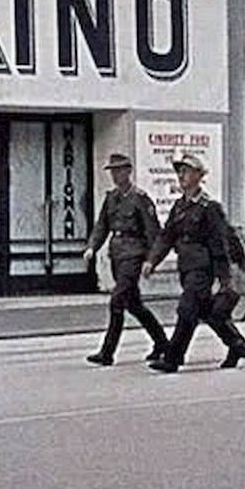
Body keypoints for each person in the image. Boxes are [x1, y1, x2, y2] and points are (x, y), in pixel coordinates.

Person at [143, 153, 245, 373]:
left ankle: (172, 358)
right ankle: (236, 344)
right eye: (179, 172)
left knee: (186, 309)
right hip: (187, 268)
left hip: (204, 269)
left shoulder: (209, 207)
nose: (181, 176)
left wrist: (225, 279)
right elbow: (166, 237)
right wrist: (152, 261)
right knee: (208, 313)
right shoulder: (180, 207)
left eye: (186, 171)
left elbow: (220, 243)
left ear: (198, 176)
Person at [83, 153, 168, 366]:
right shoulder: (111, 198)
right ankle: (162, 343)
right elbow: (102, 226)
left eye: (119, 170)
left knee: (117, 301)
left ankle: (107, 352)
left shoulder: (140, 198)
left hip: (134, 254)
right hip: (117, 254)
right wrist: (92, 247)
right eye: (112, 171)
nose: (115, 175)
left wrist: (151, 260)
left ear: (128, 171)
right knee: (134, 305)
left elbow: (152, 232)